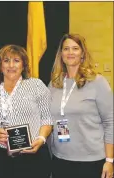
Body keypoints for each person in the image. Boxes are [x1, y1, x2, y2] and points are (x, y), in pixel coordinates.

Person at [0, 44, 53, 178]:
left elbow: (47, 119)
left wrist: (41, 139)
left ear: (23, 65)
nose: (11, 65)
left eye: (16, 61)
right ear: (0, 65)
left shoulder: (37, 85)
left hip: (33, 157)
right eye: (6, 61)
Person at [49, 33, 114, 178]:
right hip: (60, 159)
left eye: (75, 48)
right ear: (61, 54)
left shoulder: (97, 82)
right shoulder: (54, 83)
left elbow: (110, 122)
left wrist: (110, 160)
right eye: (66, 49)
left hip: (91, 161)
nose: (70, 53)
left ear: (82, 53)